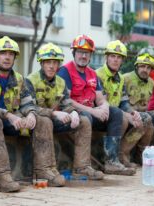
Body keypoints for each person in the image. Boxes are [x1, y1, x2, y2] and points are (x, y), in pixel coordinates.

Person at [0, 36, 65, 192]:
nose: (7, 57)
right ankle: (3, 177)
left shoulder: (19, 79)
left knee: (43, 120)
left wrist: (31, 114)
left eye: (11, 54)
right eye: (3, 53)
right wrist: (9, 115)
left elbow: (27, 103)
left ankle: (43, 171)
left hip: (13, 120)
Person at [58, 35, 135, 175]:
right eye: (80, 52)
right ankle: (82, 166)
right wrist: (93, 111)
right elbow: (67, 101)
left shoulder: (92, 73)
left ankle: (112, 161)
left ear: (90, 55)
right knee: (87, 116)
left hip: (90, 113)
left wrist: (104, 107)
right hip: (73, 114)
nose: (83, 56)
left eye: (86, 53)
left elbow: (100, 99)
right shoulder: (65, 71)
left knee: (116, 113)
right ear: (74, 53)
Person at [26, 42, 104, 180]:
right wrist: (55, 113)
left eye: (55, 63)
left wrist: (73, 112)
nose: (51, 66)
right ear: (41, 63)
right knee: (45, 121)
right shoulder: (31, 80)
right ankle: (43, 170)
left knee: (84, 121)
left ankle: (82, 167)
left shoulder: (60, 82)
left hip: (54, 119)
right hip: (35, 120)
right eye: (48, 62)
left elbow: (67, 104)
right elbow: (29, 107)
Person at [95, 40, 153, 168]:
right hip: (101, 113)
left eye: (119, 57)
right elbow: (100, 102)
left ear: (122, 60)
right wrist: (126, 115)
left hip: (117, 113)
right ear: (106, 57)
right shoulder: (97, 75)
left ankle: (123, 154)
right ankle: (110, 158)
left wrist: (133, 112)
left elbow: (124, 101)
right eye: (113, 56)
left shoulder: (120, 78)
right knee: (122, 118)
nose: (116, 60)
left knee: (145, 118)